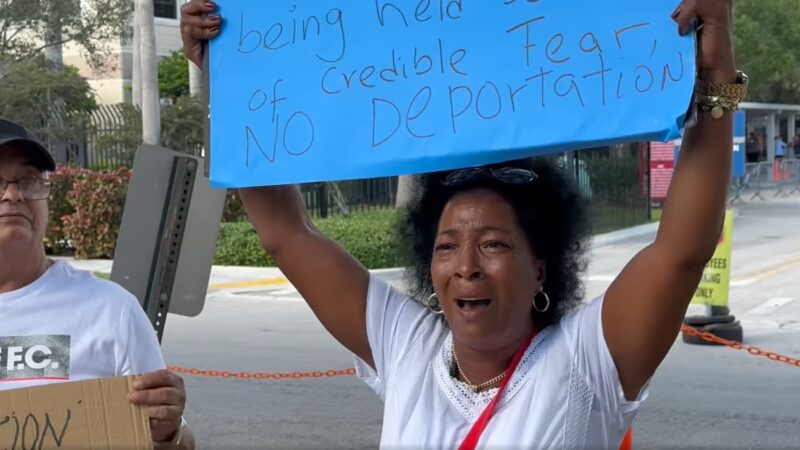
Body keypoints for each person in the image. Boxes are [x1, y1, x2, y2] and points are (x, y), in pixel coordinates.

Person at [182, 0, 745, 447]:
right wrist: (231, 80)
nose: (466, 267)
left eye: (494, 243)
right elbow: (288, 235)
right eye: (447, 246)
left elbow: (680, 252)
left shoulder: (586, 364)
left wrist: (716, 77)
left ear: (541, 266)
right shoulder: (408, 347)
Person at [0, 118, 195, 449]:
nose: (13, 194)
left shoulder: (111, 311)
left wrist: (167, 433)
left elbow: (180, 442)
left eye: (30, 180)